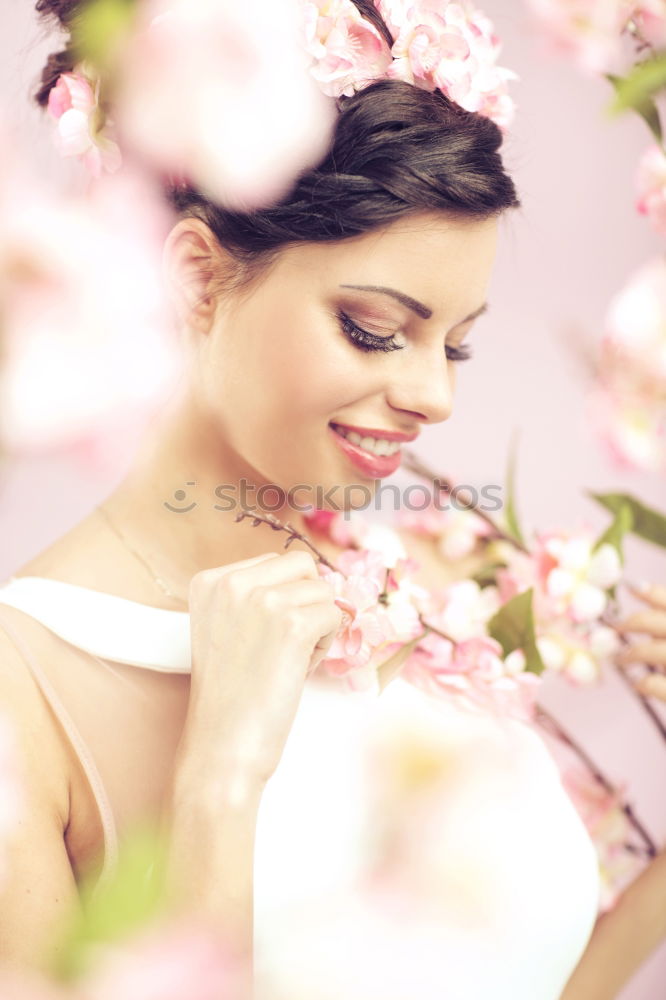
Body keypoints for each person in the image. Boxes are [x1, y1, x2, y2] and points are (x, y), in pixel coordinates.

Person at [0, 1, 659, 997]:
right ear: (198, 278)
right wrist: (221, 775)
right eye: (374, 328)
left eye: (457, 341)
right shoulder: (26, 693)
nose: (435, 395)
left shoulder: (403, 597)